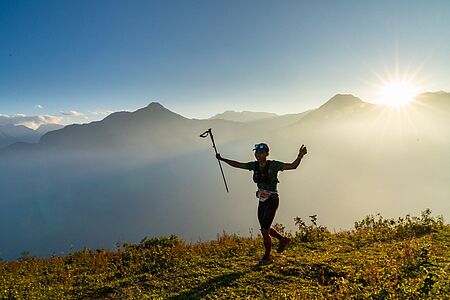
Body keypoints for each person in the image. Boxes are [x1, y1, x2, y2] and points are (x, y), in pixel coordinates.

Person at [216, 143, 307, 265]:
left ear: (267, 154)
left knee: (264, 229)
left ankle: (267, 255)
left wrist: (300, 156)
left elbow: (293, 166)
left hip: (272, 199)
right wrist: (222, 159)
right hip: (262, 199)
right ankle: (283, 240)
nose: (258, 155)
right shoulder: (254, 165)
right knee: (265, 228)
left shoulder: (274, 165)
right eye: (257, 153)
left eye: (261, 153)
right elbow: (238, 164)